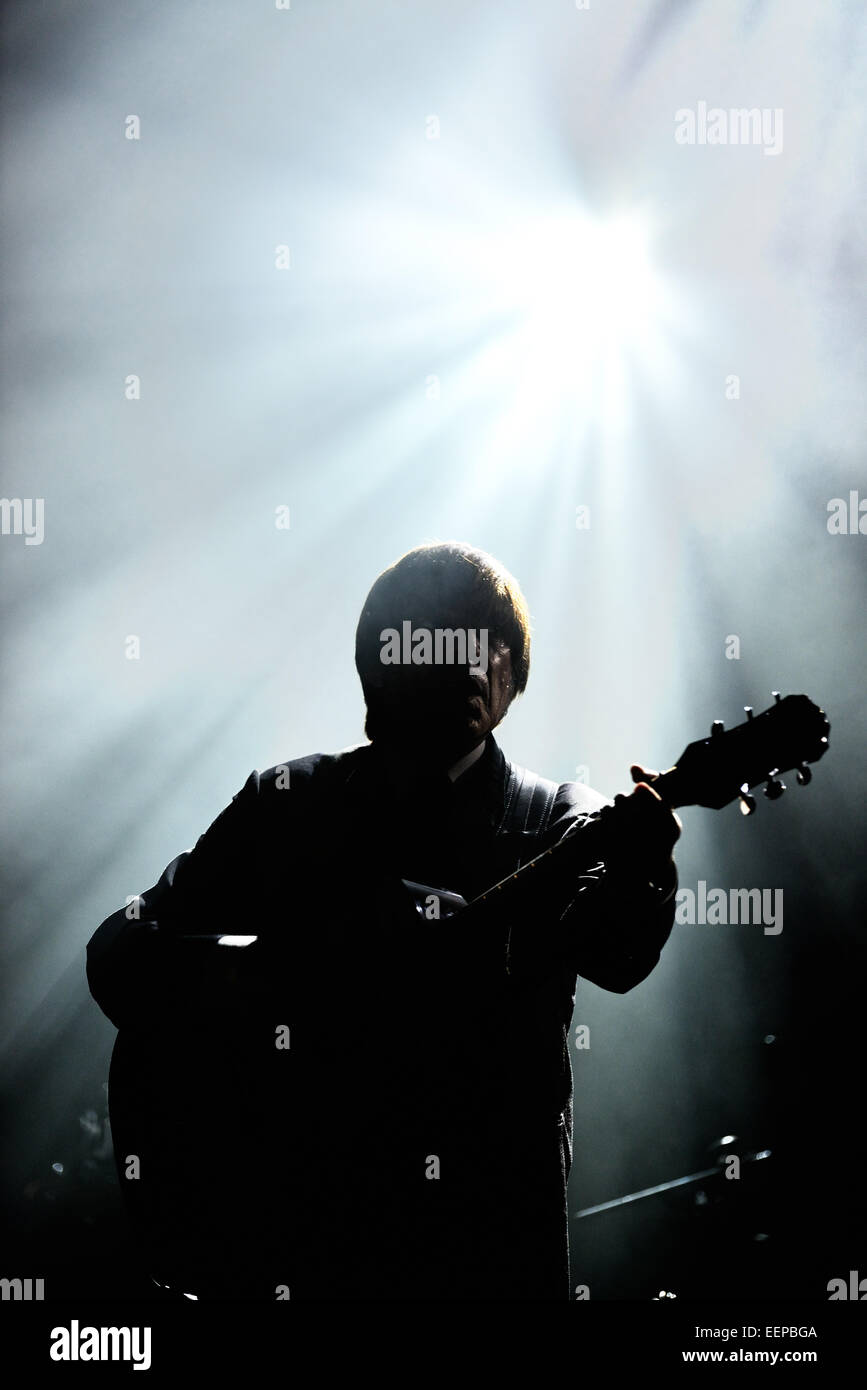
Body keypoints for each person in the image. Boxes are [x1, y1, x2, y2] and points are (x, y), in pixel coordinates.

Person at [87, 540, 680, 1301]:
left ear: (514, 675)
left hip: (486, 1260)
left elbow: (617, 956)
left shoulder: (559, 819)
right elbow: (122, 952)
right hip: (292, 1243)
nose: (471, 660)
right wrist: (266, 980)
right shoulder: (286, 803)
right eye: (442, 632)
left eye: (492, 642)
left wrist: (647, 868)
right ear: (381, 662)